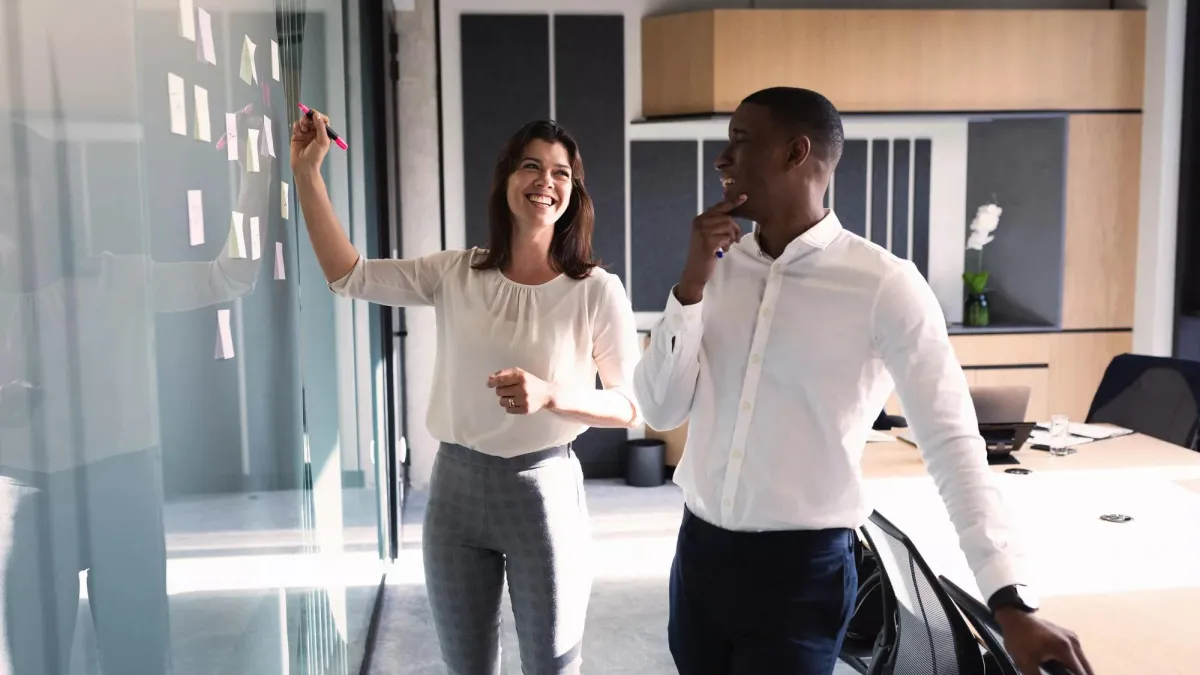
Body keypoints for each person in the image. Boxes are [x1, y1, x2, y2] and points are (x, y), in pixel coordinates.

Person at [633, 87, 1095, 675]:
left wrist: (1008, 600)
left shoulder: (884, 285)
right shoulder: (714, 272)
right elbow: (660, 406)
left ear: (796, 152)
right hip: (698, 558)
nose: (722, 160)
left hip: (801, 574)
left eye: (740, 142)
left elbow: (953, 444)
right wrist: (689, 289)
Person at [291, 113, 642, 675]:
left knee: (553, 667)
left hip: (543, 494)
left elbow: (630, 404)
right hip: (454, 493)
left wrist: (553, 395)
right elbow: (347, 275)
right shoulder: (455, 273)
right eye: (532, 165)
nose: (545, 181)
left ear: (573, 194)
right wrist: (308, 175)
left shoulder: (595, 291)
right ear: (505, 179)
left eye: (560, 173)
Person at [0, 109, 273, 674]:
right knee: (32, 660)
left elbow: (233, 276)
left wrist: (255, 170)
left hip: (120, 482)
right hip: (25, 490)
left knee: (138, 657)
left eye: (23, 194)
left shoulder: (116, 277)